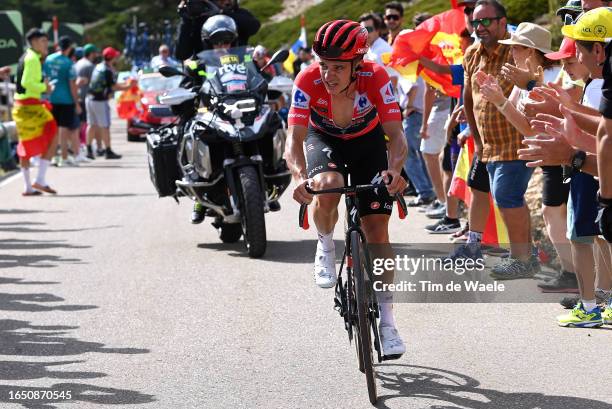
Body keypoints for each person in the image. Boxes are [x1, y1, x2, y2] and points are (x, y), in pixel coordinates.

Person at [284, 20, 408, 357]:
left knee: (377, 231)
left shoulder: (376, 76)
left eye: (338, 67)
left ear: (357, 65)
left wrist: (393, 172)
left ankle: (387, 320)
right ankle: (325, 244)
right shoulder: (307, 79)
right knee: (327, 186)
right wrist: (299, 178)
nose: (329, 74)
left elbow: (396, 136)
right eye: (324, 65)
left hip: (367, 143)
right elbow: (293, 140)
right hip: (323, 139)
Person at [517, 7, 612, 326]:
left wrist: (573, 156)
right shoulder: (601, 78)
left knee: (590, 237)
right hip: (594, 175)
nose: (573, 63)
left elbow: (604, 136)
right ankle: (601, 301)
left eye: (574, 56)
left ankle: (594, 304)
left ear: (598, 50)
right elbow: (602, 127)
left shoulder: (602, 80)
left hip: (592, 176)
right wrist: (564, 111)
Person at [13, 28, 58, 196]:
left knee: (25, 143)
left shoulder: (27, 56)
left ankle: (28, 186)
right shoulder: (32, 59)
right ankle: (40, 179)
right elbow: (26, 82)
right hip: (30, 106)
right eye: (42, 41)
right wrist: (44, 87)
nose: (46, 44)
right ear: (33, 42)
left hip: (22, 106)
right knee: (53, 133)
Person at [175, 0, 260, 61]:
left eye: (227, 41)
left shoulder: (239, 14)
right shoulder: (197, 19)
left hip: (239, 70)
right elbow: (182, 54)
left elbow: (253, 26)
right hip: (205, 75)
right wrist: (186, 20)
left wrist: (221, 12)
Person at [86, 47, 132, 160]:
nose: (117, 58)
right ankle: (108, 151)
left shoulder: (99, 66)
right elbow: (114, 86)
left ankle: (89, 150)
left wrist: (125, 84)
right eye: (115, 56)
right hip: (99, 101)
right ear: (111, 57)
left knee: (92, 125)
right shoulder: (107, 70)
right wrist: (128, 87)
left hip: (90, 99)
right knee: (105, 126)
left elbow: (111, 84)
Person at [44, 36, 83, 167]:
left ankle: (53, 156)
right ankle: (64, 157)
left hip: (51, 98)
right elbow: (72, 84)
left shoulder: (48, 59)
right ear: (70, 47)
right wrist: (76, 103)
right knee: (64, 129)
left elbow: (45, 78)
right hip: (66, 100)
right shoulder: (68, 63)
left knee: (53, 129)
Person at [75, 43, 102, 160]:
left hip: (78, 97)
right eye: (95, 53)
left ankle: (83, 146)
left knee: (82, 124)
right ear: (91, 53)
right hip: (88, 98)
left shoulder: (77, 64)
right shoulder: (90, 66)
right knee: (93, 124)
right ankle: (96, 147)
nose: (96, 55)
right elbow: (96, 83)